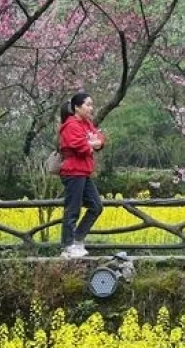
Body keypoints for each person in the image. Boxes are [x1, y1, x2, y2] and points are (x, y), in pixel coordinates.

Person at [58, 92, 106, 259]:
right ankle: (67, 245)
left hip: (84, 171)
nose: (91, 108)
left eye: (91, 105)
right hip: (73, 171)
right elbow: (81, 147)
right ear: (77, 107)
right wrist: (92, 143)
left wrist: (94, 142)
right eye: (88, 104)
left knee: (96, 206)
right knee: (72, 210)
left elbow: (100, 138)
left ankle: (77, 239)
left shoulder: (86, 123)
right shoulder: (70, 125)